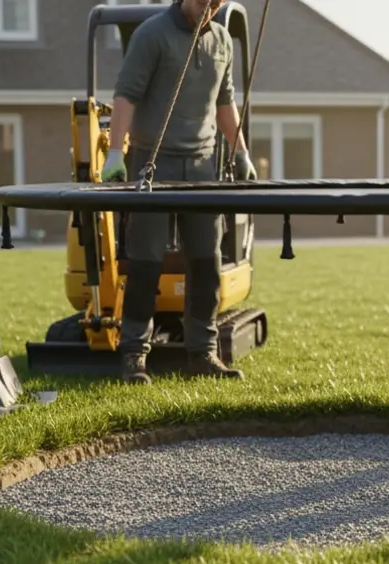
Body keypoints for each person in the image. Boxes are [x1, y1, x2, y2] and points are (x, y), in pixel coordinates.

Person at [102, 0, 257, 384]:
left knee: (206, 263)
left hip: (203, 166)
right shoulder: (153, 34)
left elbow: (225, 102)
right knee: (145, 262)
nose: (207, 8)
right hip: (153, 162)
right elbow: (126, 95)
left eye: (215, 3)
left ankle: (202, 354)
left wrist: (240, 151)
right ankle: (134, 356)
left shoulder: (222, 40)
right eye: (202, 1)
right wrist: (116, 152)